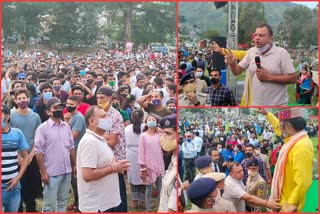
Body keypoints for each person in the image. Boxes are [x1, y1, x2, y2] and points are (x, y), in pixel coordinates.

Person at [257, 108, 314, 212]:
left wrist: (292, 203)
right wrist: (267, 114)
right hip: (282, 203)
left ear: (288, 126)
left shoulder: (301, 146)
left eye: (281, 125)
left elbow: (303, 181)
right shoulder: (292, 138)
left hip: (287, 206)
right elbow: (278, 129)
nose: (279, 128)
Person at [225, 24, 296, 106]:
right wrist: (232, 64)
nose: (257, 38)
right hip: (255, 106)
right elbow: (237, 71)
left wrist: (269, 77)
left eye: (261, 35)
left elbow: (293, 78)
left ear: (270, 38)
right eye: (256, 35)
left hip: (277, 106)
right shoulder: (251, 52)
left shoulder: (281, 53)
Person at [76, 105, 130, 212]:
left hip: (106, 203)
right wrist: (112, 168)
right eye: (103, 116)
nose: (108, 119)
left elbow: (103, 162)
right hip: (97, 206)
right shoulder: (89, 142)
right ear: (92, 121)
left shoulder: (100, 139)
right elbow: (87, 175)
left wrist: (117, 165)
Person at [34, 97, 76, 212]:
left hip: (66, 170)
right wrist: (43, 172)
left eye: (60, 107)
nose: (58, 109)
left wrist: (75, 164)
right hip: (51, 173)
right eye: (55, 108)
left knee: (62, 202)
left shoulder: (66, 126)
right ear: (48, 112)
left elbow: (71, 147)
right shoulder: (42, 128)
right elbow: (38, 152)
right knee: (49, 206)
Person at [10, 89, 42, 212]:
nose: (22, 100)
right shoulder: (12, 116)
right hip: (16, 157)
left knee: (32, 185)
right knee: (19, 185)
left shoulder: (35, 116)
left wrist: (31, 155)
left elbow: (38, 137)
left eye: (24, 98)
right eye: (19, 98)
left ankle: (31, 208)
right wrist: (19, 157)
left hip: (31, 156)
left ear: (28, 99)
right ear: (15, 100)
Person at [96, 86, 127, 212]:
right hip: (103, 159)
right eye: (97, 98)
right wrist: (105, 136)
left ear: (110, 98)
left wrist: (100, 136)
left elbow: (113, 142)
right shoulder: (98, 113)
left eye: (102, 98)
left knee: (117, 195)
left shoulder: (115, 116)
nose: (99, 100)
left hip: (115, 160)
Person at [2, 104, 29, 212]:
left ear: (7, 116)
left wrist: (18, 178)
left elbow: (25, 157)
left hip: (14, 185)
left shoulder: (17, 133)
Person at [63, 95, 86, 211]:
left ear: (77, 105)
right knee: (73, 179)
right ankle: (77, 201)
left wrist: (66, 122)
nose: (68, 106)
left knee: (76, 179)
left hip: (77, 150)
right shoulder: (71, 116)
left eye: (72, 104)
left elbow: (73, 136)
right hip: (71, 150)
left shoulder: (78, 118)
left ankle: (80, 203)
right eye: (67, 103)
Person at [138, 115, 165, 212]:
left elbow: (167, 135)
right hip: (148, 165)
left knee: (160, 189)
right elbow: (141, 153)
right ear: (146, 123)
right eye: (149, 119)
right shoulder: (143, 136)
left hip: (159, 164)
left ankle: (161, 208)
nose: (151, 121)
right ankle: (148, 209)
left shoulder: (159, 135)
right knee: (148, 190)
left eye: (154, 120)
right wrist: (142, 169)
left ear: (156, 123)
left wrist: (160, 129)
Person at [125, 109, 146, 209]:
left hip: (131, 154)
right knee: (143, 176)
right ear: (142, 117)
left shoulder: (127, 128)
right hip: (143, 153)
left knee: (133, 178)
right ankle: (143, 201)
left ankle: (134, 202)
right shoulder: (145, 127)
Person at [158, 114, 178, 212]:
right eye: (163, 133)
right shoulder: (172, 159)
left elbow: (173, 209)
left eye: (168, 134)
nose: (163, 137)